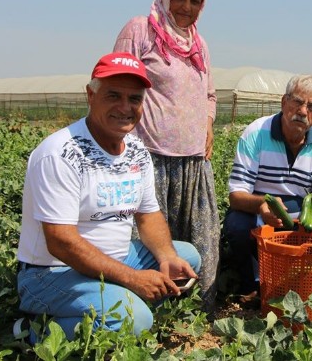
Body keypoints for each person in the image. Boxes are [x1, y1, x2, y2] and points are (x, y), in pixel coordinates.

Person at [15, 52, 201, 343]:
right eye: (113, 96)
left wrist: (165, 256)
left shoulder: (137, 151)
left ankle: (111, 303)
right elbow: (60, 241)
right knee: (135, 320)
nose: (125, 107)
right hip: (52, 273)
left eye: (135, 99)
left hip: (113, 259)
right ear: (91, 95)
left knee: (185, 256)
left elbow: (148, 214)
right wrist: (131, 278)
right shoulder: (60, 153)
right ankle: (32, 331)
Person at [112, 0, 219, 311]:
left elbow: (210, 95)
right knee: (150, 243)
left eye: (195, 0)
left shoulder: (198, 44)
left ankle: (195, 312)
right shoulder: (140, 30)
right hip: (150, 158)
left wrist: (208, 124)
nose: (187, 6)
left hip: (193, 163)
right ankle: (144, 310)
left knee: (201, 239)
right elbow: (119, 81)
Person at [224, 74, 312, 299]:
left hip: (299, 220)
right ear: (284, 102)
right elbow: (236, 196)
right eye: (297, 101)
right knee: (237, 226)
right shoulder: (256, 133)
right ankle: (251, 284)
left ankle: (295, 284)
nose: (303, 111)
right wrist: (263, 205)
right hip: (257, 211)